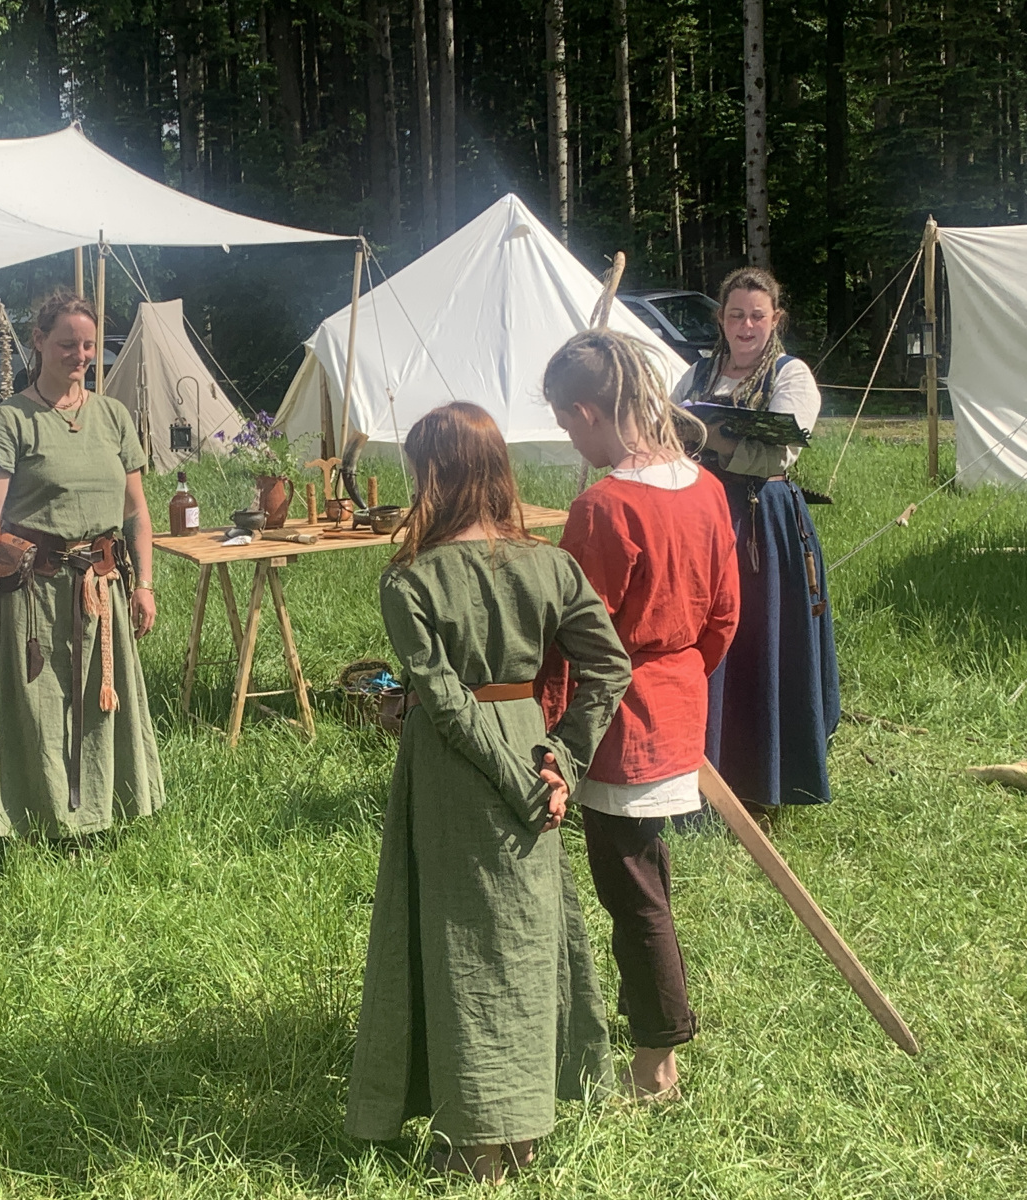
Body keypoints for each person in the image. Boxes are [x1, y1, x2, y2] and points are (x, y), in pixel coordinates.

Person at [345, 402, 632, 1184]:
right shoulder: (550, 565)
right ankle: (521, 1130)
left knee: (462, 945)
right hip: (531, 752)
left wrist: (529, 778)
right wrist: (559, 762)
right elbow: (610, 667)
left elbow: (444, 700)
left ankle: (477, 1146)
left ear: (434, 476)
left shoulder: (410, 577)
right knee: (522, 937)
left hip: (457, 769)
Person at [540, 330, 740, 1102]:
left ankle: (657, 1065)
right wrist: (681, 686)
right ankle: (650, 1035)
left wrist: (552, 735)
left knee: (633, 893)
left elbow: (572, 638)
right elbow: (722, 619)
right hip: (676, 702)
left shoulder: (605, 507)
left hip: (621, 720)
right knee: (642, 876)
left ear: (589, 411)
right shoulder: (706, 487)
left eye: (566, 421)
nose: (569, 437)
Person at [0, 290, 164, 839]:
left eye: (89, 345)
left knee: (101, 700)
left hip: (103, 586)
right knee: (39, 704)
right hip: (34, 590)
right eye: (68, 343)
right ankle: (40, 822)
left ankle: (102, 814)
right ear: (39, 341)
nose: (81, 355)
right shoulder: (10, 419)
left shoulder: (114, 417)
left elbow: (137, 512)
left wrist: (144, 584)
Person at [674, 267, 841, 811]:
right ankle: (700, 770)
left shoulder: (792, 377)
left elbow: (777, 451)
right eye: (736, 315)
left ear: (775, 319)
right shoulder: (695, 375)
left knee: (760, 640)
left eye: (757, 316)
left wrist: (710, 440)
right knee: (707, 639)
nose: (746, 326)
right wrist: (716, 438)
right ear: (721, 319)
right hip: (699, 518)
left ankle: (763, 778)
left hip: (761, 527)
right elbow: (667, 430)